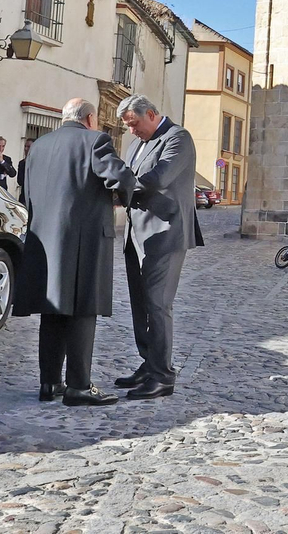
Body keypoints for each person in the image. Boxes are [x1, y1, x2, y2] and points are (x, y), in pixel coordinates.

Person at [17, 98, 135, 406]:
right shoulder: (96, 140)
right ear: (91, 119)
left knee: (52, 310)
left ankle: (49, 382)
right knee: (84, 308)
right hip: (85, 237)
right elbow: (122, 177)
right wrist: (121, 198)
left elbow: (26, 192)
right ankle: (79, 386)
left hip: (45, 235)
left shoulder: (39, 145)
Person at [115, 94, 199, 400]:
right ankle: (149, 364)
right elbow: (128, 174)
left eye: (135, 124)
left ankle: (163, 375)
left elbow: (157, 178)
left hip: (165, 233)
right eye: (128, 128)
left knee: (158, 303)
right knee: (141, 303)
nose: (133, 132)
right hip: (137, 233)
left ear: (151, 114)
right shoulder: (138, 143)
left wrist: (117, 188)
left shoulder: (177, 138)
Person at [16, 137, 34, 201]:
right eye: (25, 146)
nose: (26, 149)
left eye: (28, 147)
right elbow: (20, 181)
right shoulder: (22, 163)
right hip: (24, 197)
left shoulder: (40, 163)